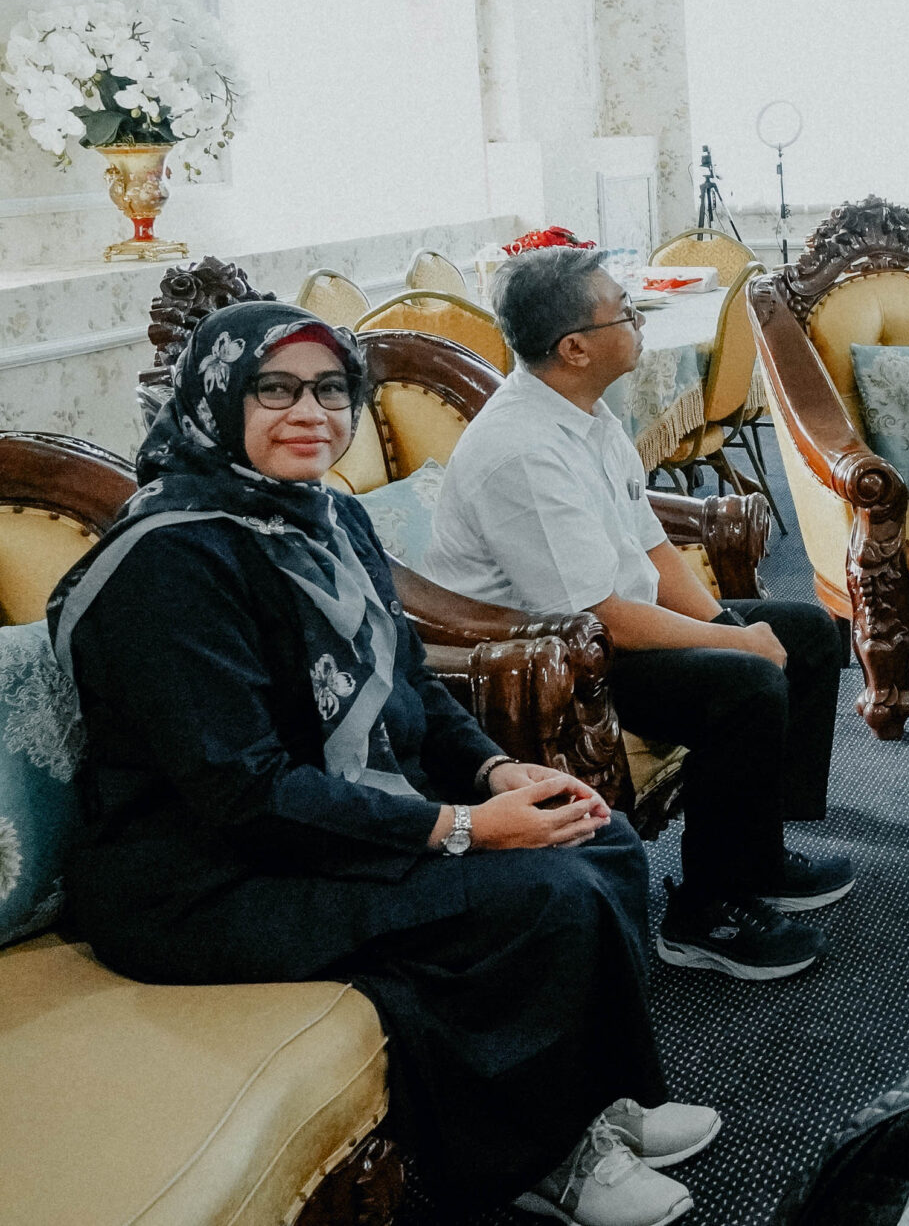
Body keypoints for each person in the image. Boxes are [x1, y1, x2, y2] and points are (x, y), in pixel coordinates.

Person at [55, 303, 717, 1226]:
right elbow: (242, 792)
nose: (310, 413)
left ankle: (592, 1104)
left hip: (315, 822)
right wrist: (462, 829)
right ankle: (544, 1161)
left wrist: (493, 773)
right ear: (216, 400)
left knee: (597, 837)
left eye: (332, 390)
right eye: (274, 389)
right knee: (541, 894)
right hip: (202, 876)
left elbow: (408, 680)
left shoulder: (327, 516)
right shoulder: (167, 565)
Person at [426, 247, 853, 983]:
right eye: (625, 312)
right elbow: (604, 619)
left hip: (606, 623)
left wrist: (728, 626)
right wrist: (736, 648)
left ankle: (756, 854)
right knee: (744, 685)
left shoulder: (584, 413)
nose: (639, 322)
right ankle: (703, 913)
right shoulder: (523, 450)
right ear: (575, 348)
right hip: (543, 660)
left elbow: (651, 548)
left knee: (805, 631)